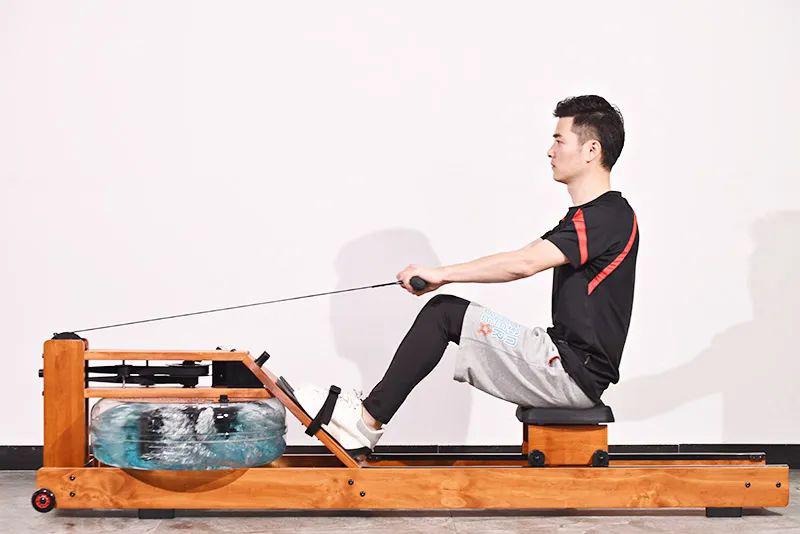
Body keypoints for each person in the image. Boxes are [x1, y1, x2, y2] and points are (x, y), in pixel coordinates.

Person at [294, 95, 639, 454]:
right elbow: (522, 256)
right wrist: (441, 275)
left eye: (559, 140)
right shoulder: (588, 217)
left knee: (444, 313)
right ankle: (366, 418)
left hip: (568, 372)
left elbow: (523, 264)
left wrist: (442, 275)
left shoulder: (607, 216)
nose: (550, 151)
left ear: (591, 150)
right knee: (446, 312)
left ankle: (365, 423)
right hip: (557, 358)